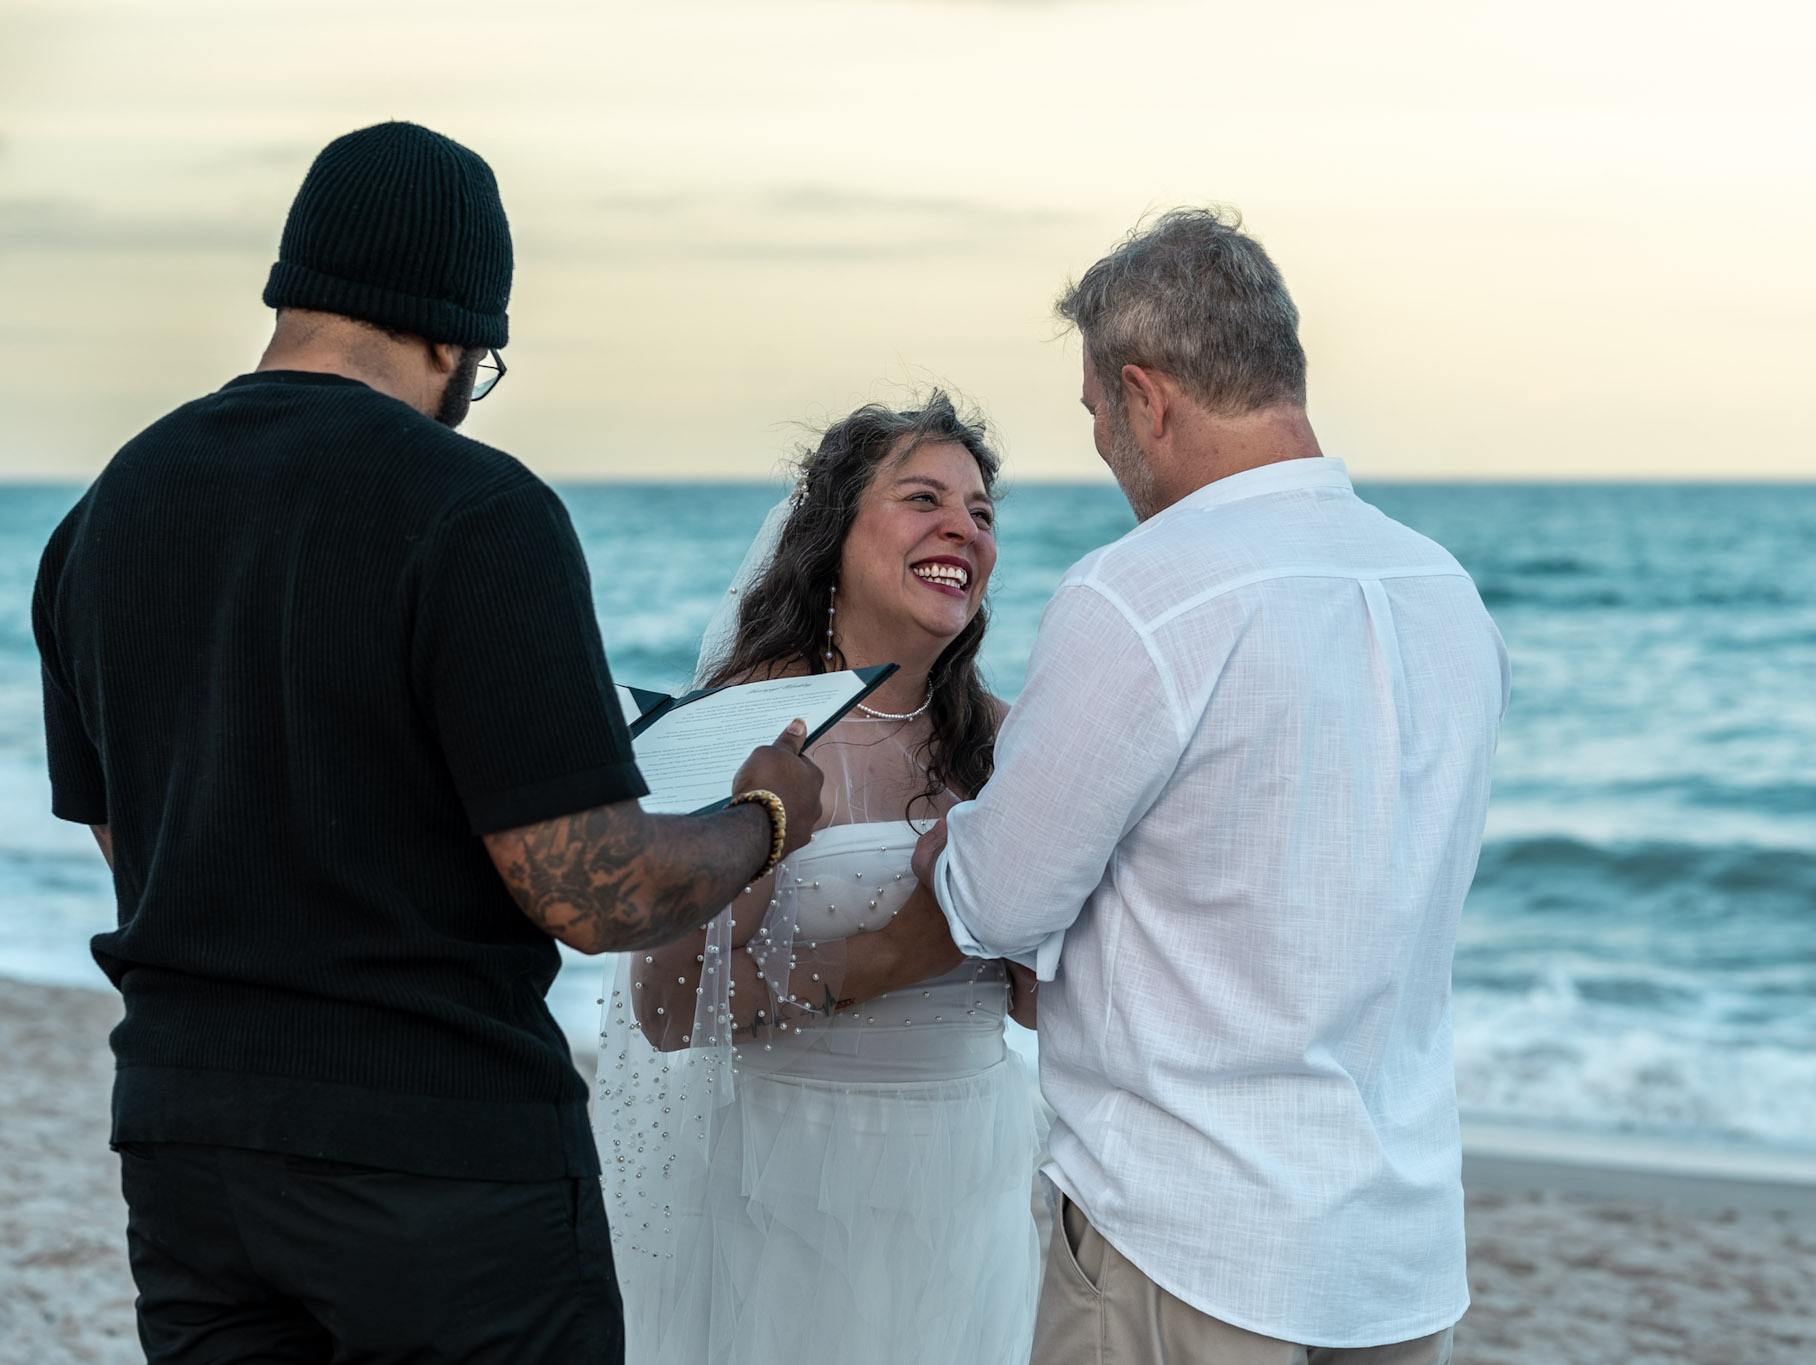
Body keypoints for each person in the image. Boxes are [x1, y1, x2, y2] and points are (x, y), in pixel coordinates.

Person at [31, 120, 822, 1365]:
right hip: (437, 1156)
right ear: (454, 333)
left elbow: (147, 844)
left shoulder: (102, 516)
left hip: (187, 1142)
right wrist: (762, 816)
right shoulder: (477, 511)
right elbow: (589, 889)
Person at [915, 209, 1510, 1364]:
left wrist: (952, 835)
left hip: (1185, 1243)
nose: (1104, 447)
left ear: (1145, 396)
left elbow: (998, 903)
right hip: (1396, 1253)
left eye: (1094, 416)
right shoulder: (1446, 595)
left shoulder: (1142, 597)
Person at [599, 394, 1045, 1365]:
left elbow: (1040, 1009)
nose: (960, 529)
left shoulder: (1012, 743)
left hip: (972, 1169)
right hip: (789, 1181)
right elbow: (671, 1007)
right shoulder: (753, 728)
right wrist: (901, 951)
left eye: (980, 513)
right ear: (833, 531)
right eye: (922, 497)